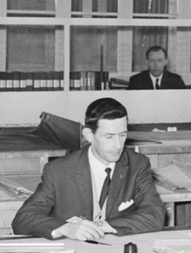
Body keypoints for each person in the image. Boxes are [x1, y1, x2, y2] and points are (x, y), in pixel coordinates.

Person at [12, 96, 165, 240]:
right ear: (89, 135)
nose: (118, 145)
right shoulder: (59, 170)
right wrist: (65, 228)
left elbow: (155, 216)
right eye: (109, 136)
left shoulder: (137, 165)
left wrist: (99, 226)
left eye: (122, 135)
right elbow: (23, 219)